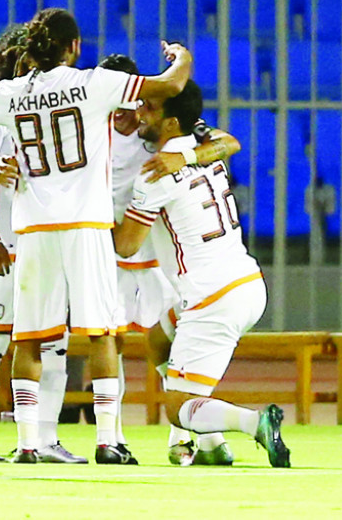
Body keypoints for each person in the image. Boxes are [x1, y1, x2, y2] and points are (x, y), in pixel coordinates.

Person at [0, 8, 191, 464]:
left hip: (33, 227)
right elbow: (170, 86)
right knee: (101, 333)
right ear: (75, 46)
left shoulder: (10, 92)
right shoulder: (92, 84)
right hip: (85, 224)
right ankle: (107, 440)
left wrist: (15, 120)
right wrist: (182, 57)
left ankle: (28, 443)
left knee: (29, 337)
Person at [112, 80, 291, 468]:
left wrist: (85, 216)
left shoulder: (156, 172)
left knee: (177, 408)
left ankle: (255, 422)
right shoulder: (202, 148)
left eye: (150, 107)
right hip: (244, 281)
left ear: (171, 122)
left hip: (212, 296)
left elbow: (125, 245)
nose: (141, 112)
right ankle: (211, 446)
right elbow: (229, 141)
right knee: (158, 340)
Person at [100, 54, 242, 465]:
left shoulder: (160, 128)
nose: (124, 108)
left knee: (172, 344)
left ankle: (184, 436)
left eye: (130, 98)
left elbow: (229, 143)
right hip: (110, 251)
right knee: (109, 341)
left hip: (156, 254)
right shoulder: (89, 127)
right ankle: (112, 436)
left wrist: (187, 157)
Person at [0, 24, 84, 464]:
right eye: (23, 61)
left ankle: (44, 439)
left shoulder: (51, 112)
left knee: (54, 343)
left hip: (44, 242)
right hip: (1, 247)